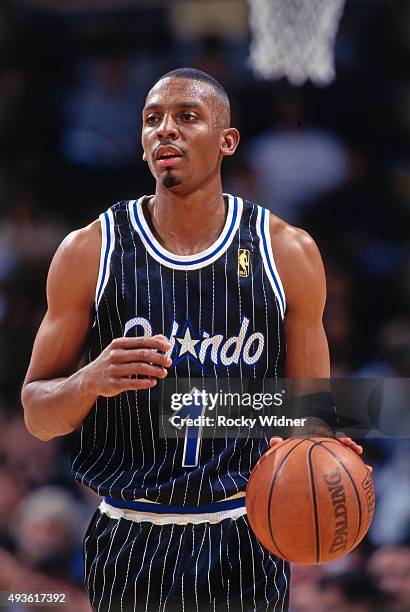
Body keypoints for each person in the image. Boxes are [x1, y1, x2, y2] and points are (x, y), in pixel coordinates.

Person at [22, 68, 366, 611]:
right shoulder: (89, 251)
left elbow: (308, 414)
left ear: (227, 140)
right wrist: (90, 379)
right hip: (129, 534)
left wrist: (323, 444)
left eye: (187, 117)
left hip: (244, 535)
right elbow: (38, 416)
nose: (166, 131)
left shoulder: (288, 252)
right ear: (140, 145)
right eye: (152, 120)